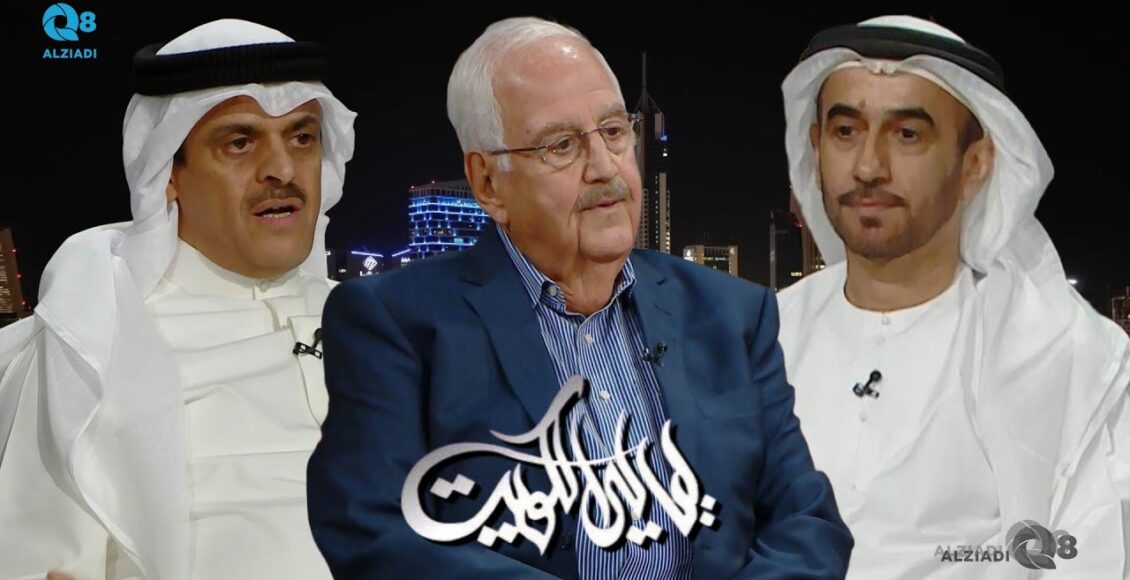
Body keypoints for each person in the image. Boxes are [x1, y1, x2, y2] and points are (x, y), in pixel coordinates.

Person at [307, 16, 852, 579]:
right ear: (488, 183)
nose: (605, 167)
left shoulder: (734, 314)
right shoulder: (392, 323)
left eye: (614, 131)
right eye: (562, 145)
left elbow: (806, 522)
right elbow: (373, 531)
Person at [0, 18, 356, 580]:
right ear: (167, 172)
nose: (282, 170)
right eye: (240, 143)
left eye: (302, 138)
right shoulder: (90, 347)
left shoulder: (380, 324)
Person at [777, 14, 1130, 578]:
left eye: (907, 134)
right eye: (845, 131)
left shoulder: (1066, 357)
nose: (868, 166)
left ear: (975, 164)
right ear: (816, 146)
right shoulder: (759, 336)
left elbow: (1094, 555)